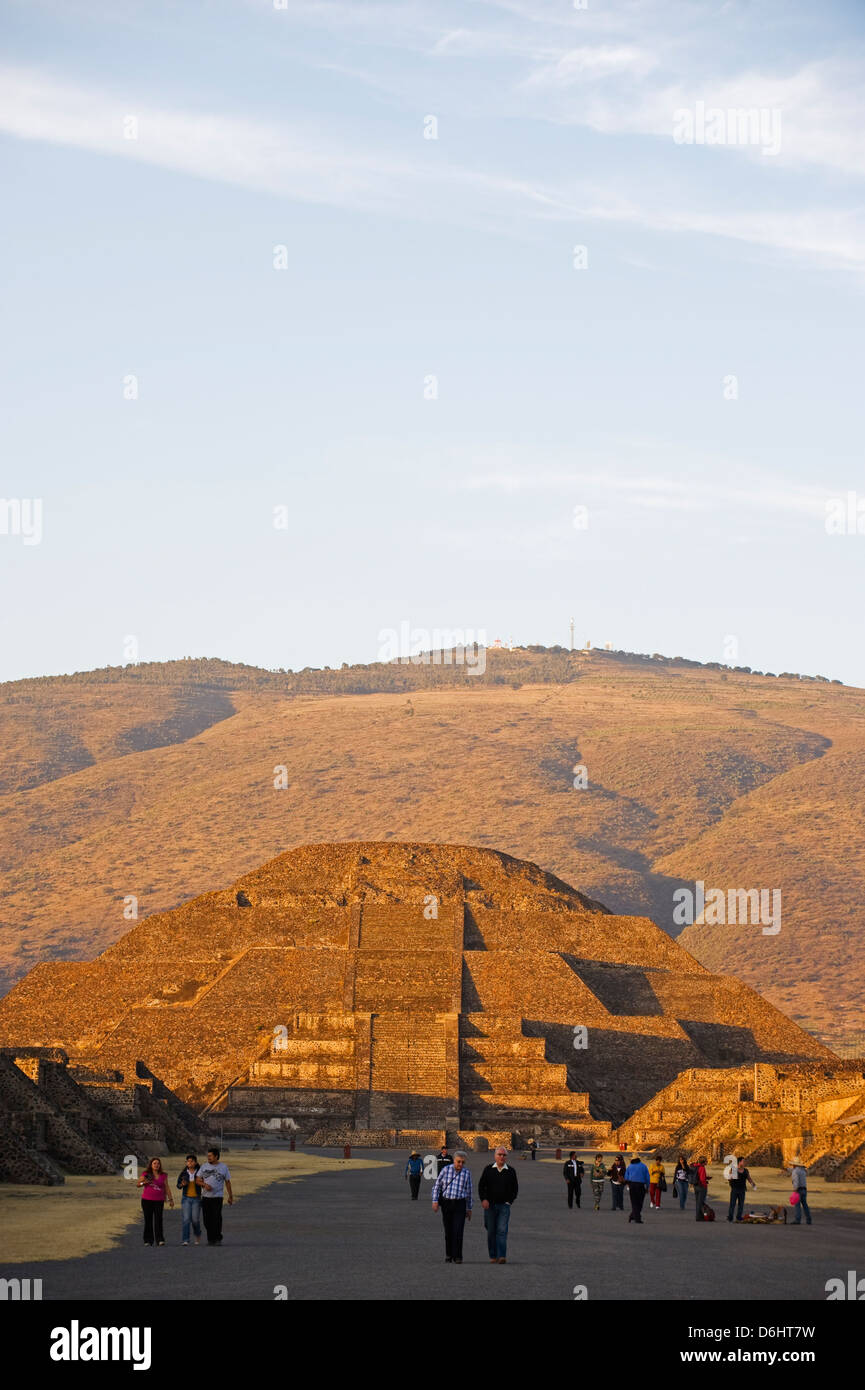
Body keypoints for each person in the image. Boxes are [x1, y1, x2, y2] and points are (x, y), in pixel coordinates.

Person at [478, 1146, 518, 1263]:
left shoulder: (511, 1171)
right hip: (490, 1206)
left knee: (501, 1230)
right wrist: (483, 1199)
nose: (502, 1157)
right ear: (495, 1156)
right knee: (491, 1231)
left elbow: (515, 1188)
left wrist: (509, 1201)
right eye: (499, 1154)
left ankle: (502, 1256)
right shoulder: (488, 1169)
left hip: (504, 1206)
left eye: (504, 1155)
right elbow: (481, 1186)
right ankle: (493, 1255)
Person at [431, 1150, 473, 1262]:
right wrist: (435, 1201)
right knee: (448, 1230)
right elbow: (437, 1186)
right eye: (458, 1161)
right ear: (454, 1160)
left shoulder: (467, 1173)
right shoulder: (446, 1170)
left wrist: (469, 1208)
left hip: (460, 1204)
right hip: (447, 1203)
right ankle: (449, 1254)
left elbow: (469, 1192)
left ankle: (458, 1256)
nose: (460, 1164)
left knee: (459, 1231)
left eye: (463, 1162)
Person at [198, 1146, 233, 1245]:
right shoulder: (204, 1167)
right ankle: (211, 1238)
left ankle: (217, 1239)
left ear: (216, 1156)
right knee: (206, 1220)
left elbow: (227, 1182)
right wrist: (204, 1185)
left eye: (210, 1156)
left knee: (217, 1218)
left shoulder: (223, 1167)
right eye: (207, 1156)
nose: (208, 1158)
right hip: (205, 1197)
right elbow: (197, 1180)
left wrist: (230, 1196)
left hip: (218, 1197)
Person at [137, 1157, 174, 1246]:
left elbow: (167, 1187)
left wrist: (170, 1199)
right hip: (147, 1200)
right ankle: (148, 1240)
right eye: (154, 1163)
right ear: (151, 1165)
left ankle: (160, 1239)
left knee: (158, 1220)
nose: (156, 1165)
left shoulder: (163, 1175)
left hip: (159, 1200)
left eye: (158, 1163)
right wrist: (144, 1183)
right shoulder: (146, 1174)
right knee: (148, 1220)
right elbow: (138, 1184)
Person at [176, 1153, 203, 1245]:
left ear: (195, 1162)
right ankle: (185, 1240)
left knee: (195, 1219)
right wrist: (182, 1184)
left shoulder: (200, 1172)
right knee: (186, 1219)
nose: (190, 1163)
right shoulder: (184, 1173)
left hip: (196, 1198)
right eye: (188, 1161)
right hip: (186, 1198)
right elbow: (178, 1185)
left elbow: (204, 1183)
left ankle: (197, 1234)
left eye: (192, 1161)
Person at [727, 1156, 756, 1222]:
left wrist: (753, 1184)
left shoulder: (746, 1170)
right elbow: (729, 1178)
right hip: (734, 1189)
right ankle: (730, 1217)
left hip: (742, 1189)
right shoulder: (734, 1169)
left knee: (741, 1204)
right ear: (739, 1162)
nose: (745, 1162)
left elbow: (749, 1178)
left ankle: (739, 1217)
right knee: (732, 1204)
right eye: (743, 1161)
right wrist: (731, 1176)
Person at [624, 1153, 649, 1223]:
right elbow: (647, 1177)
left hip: (632, 1185)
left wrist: (628, 1184)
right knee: (640, 1202)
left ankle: (633, 1215)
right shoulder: (644, 1166)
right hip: (641, 1186)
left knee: (634, 1202)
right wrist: (647, 1187)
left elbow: (626, 1177)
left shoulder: (630, 1167)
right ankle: (637, 1218)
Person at [790, 1158, 812, 1225]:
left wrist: (795, 1189)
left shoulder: (795, 1171)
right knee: (805, 1205)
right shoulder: (803, 1171)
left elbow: (796, 1181)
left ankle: (797, 1219)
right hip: (804, 1189)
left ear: (794, 1164)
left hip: (798, 1190)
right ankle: (809, 1219)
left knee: (797, 1205)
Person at [692, 1155, 710, 1222]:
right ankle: (699, 1217)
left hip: (696, 1186)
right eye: (706, 1161)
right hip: (701, 1187)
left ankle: (698, 1216)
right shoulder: (702, 1168)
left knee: (698, 1202)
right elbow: (702, 1179)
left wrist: (706, 1178)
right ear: (703, 1162)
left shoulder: (696, 1166)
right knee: (701, 1202)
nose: (707, 1162)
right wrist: (705, 1184)